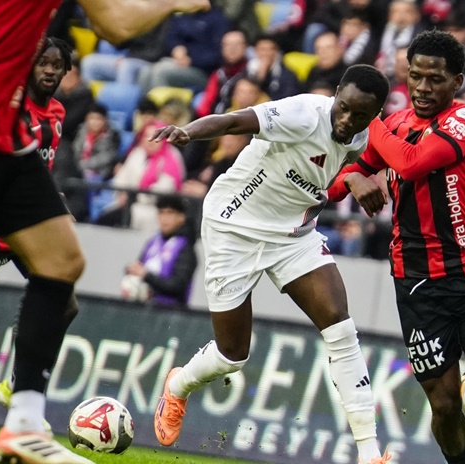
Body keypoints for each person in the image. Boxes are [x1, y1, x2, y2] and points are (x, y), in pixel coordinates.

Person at [0, 1, 212, 464]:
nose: (50, 70)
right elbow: (116, 22)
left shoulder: (51, 111)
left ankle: (23, 425)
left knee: (62, 262)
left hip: (5, 143)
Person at [150, 64, 392, 464]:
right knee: (232, 355)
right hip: (234, 226)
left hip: (293, 235)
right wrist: (188, 131)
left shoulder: (362, 137)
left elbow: (331, 173)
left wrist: (352, 177)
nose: (347, 121)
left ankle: (368, 452)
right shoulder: (303, 113)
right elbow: (234, 120)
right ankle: (178, 386)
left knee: (340, 327)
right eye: (344, 108)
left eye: (360, 115)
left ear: (375, 115)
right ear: (335, 94)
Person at [328, 30, 465, 464]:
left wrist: (371, 122)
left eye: (435, 79)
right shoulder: (394, 127)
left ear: (457, 82)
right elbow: (336, 184)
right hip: (415, 282)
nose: (423, 87)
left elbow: (411, 164)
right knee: (443, 406)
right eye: (416, 76)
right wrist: (352, 177)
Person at [0, 39, 76, 417]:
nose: (49, 70)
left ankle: (16, 386)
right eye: (43, 63)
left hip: (27, 227)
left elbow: (39, 170)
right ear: (28, 66)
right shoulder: (12, 108)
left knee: (65, 305)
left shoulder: (57, 112)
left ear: (66, 71)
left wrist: (53, 201)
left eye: (57, 65)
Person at [123, 195, 197, 308]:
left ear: (181, 217)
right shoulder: (153, 242)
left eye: (170, 213)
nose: (164, 218)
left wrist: (146, 276)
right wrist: (131, 271)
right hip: (144, 308)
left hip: (171, 311)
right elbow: (139, 267)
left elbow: (178, 286)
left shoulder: (185, 248)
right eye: (161, 213)